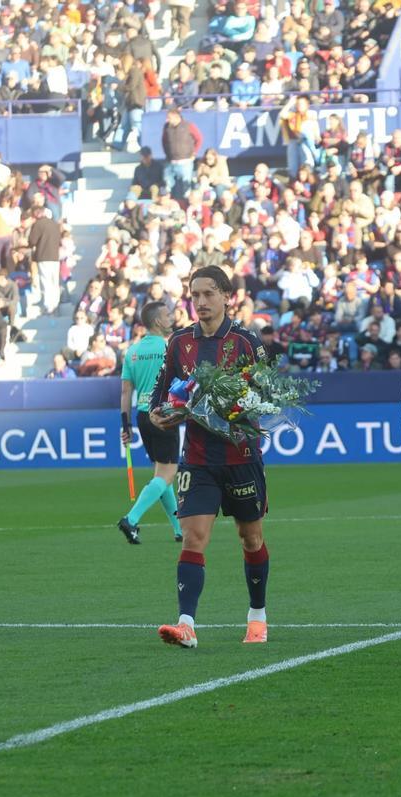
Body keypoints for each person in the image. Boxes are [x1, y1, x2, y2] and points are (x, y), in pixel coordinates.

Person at [150, 267, 271, 648]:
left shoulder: (247, 342)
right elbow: (161, 398)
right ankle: (186, 624)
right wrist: (161, 416)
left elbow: (265, 395)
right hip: (198, 458)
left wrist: (236, 404)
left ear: (226, 297)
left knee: (250, 538)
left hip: (241, 456)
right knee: (193, 535)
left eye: (208, 294)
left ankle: (257, 616)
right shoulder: (179, 342)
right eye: (194, 295)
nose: (200, 302)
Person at [118, 302, 184, 545]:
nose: (171, 317)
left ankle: (179, 529)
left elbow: (126, 392)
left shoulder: (132, 352)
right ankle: (130, 519)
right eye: (167, 315)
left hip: (143, 416)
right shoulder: (169, 347)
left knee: (162, 474)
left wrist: (125, 425)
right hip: (164, 414)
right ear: (157, 321)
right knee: (169, 473)